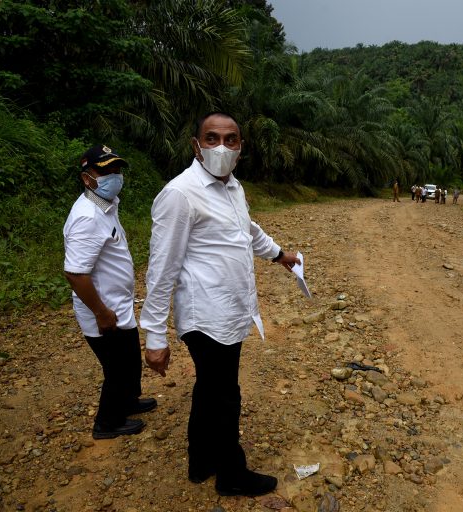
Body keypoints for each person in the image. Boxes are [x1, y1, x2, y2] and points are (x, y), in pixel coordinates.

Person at [140, 112, 301, 497]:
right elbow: (161, 269)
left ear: (240, 149)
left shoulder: (233, 188)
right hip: (206, 315)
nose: (221, 147)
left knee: (210, 389)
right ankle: (232, 473)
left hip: (230, 311)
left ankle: (201, 460)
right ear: (196, 146)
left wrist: (280, 255)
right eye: (212, 138)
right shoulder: (180, 194)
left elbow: (248, 230)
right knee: (225, 394)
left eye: (231, 140)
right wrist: (154, 335)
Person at [63, 145, 156, 440]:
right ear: (87, 178)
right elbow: (76, 273)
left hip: (117, 305)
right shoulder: (87, 217)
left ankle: (127, 402)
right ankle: (107, 423)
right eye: (105, 171)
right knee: (116, 369)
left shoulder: (106, 206)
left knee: (128, 360)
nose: (114, 176)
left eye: (116, 170)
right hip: (103, 310)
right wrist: (101, 312)